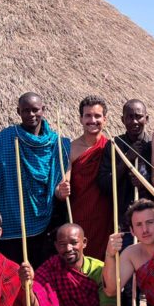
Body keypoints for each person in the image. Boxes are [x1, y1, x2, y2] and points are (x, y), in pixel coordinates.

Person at [0, 92, 68, 267]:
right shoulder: (5, 139)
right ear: (18, 111)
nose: (31, 114)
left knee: (41, 273)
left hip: (48, 221)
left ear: (43, 110)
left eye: (35, 110)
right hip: (14, 219)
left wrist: (61, 191)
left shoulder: (58, 144)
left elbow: (61, 183)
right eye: (25, 110)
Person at [97, 98, 152, 306]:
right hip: (124, 221)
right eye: (130, 116)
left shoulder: (153, 144)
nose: (135, 121)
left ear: (146, 118)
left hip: (150, 223)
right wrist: (126, 160)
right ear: (122, 119)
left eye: (139, 116)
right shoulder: (114, 145)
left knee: (150, 279)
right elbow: (104, 183)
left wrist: (144, 183)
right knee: (128, 284)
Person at [65, 95, 111, 261]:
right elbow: (64, 183)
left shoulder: (111, 147)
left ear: (104, 119)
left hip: (106, 218)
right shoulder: (70, 148)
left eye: (97, 116)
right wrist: (61, 190)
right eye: (88, 116)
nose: (93, 120)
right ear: (80, 119)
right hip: (80, 214)